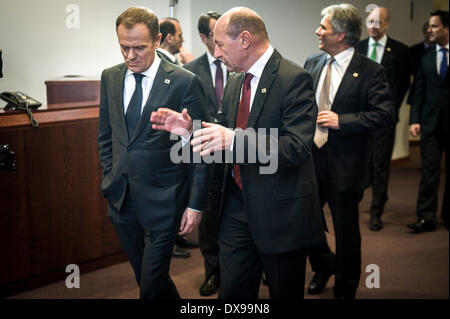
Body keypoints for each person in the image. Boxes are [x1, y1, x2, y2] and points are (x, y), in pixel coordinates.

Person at [151, 7, 325, 299]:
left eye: (220, 44)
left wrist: (234, 139)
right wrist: (190, 130)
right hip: (235, 207)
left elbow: (296, 147)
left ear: (245, 39)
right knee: (233, 294)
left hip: (280, 210)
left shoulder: (294, 78)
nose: (216, 53)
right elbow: (222, 131)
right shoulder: (235, 80)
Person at [97, 6, 210, 299]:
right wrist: (110, 173)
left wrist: (195, 205)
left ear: (158, 40)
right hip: (121, 198)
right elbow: (106, 136)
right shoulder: (110, 77)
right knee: (147, 279)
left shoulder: (185, 81)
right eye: (124, 47)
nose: (130, 56)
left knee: (150, 284)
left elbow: (200, 149)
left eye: (139, 48)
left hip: (165, 198)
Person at [303, 4, 394, 298]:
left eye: (323, 27)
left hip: (346, 165)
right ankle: (323, 265)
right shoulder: (313, 62)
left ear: (341, 35)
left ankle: (345, 287)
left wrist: (343, 121)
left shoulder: (370, 71)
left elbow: (384, 115)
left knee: (346, 233)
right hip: (311, 161)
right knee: (305, 223)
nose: (318, 31)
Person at [355, 6, 411, 231]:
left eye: (378, 22)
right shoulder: (357, 48)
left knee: (380, 164)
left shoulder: (400, 51)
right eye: (370, 21)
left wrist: (390, 109)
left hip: (383, 119)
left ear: (387, 24)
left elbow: (403, 83)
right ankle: (353, 202)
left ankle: (377, 210)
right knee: (359, 162)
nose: (373, 26)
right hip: (359, 118)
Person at [183, 11, 226, 296]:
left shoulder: (238, 64)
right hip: (206, 154)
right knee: (209, 220)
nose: (222, 42)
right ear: (203, 38)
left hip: (241, 150)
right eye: (215, 36)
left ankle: (256, 267)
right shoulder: (190, 71)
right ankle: (213, 272)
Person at [408, 10, 449, 233]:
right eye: (429, 27)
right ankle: (426, 217)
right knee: (429, 172)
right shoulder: (425, 57)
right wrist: (414, 120)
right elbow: (418, 91)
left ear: (447, 29)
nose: (429, 30)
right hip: (430, 123)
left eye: (434, 26)